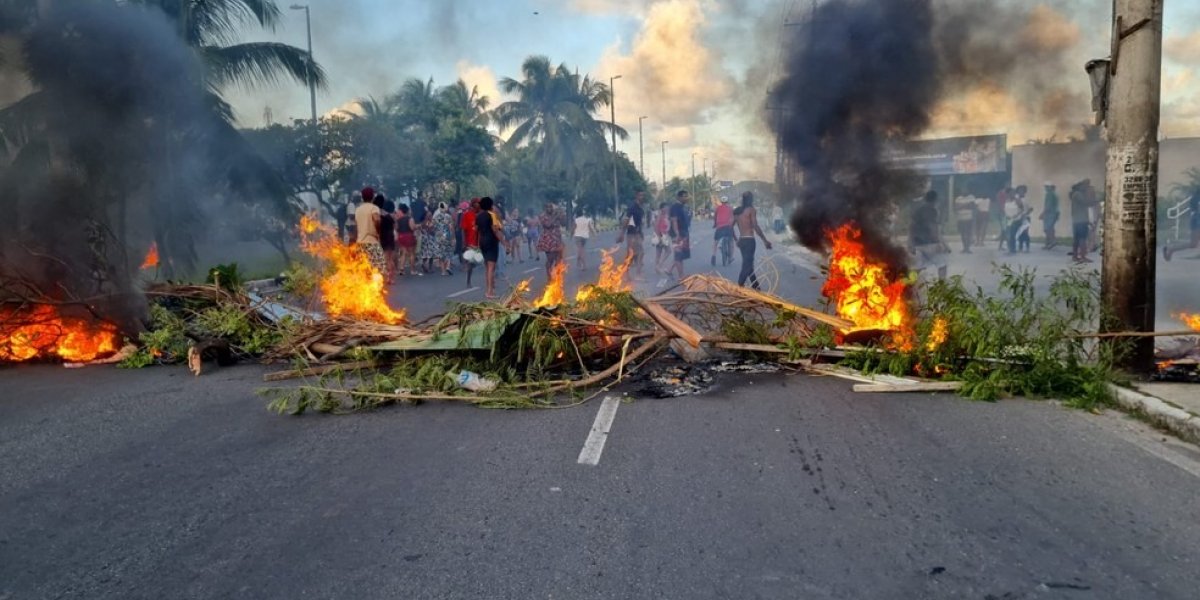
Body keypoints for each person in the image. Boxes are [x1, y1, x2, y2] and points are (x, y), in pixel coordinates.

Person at [733, 192, 773, 289]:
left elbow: (730, 227)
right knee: (747, 265)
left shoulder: (737, 211)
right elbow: (755, 226)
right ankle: (739, 286)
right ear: (751, 199)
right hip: (749, 241)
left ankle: (756, 287)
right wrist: (765, 240)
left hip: (742, 240)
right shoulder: (751, 210)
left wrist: (736, 240)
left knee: (748, 264)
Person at [910, 190, 948, 280]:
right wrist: (939, 243)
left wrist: (911, 243)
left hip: (918, 243)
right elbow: (932, 226)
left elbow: (911, 226)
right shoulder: (932, 210)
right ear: (935, 200)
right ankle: (941, 287)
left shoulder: (918, 210)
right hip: (930, 243)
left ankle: (908, 285)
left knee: (917, 268)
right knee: (942, 266)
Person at [477, 197, 506, 299]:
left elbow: (477, 230)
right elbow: (495, 230)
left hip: (482, 242)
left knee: (487, 267)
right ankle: (489, 291)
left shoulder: (479, 216)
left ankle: (491, 288)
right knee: (491, 268)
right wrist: (504, 243)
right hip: (491, 242)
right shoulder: (492, 215)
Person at [354, 187, 386, 276]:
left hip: (360, 243)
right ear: (372, 197)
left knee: (363, 270)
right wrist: (378, 231)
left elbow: (356, 226)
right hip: (371, 242)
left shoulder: (358, 210)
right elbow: (377, 219)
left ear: (362, 197)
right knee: (379, 268)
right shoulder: (374, 208)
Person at [665, 190, 692, 284]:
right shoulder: (675, 207)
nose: (686, 198)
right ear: (679, 197)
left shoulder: (682, 207)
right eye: (684, 196)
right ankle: (681, 277)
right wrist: (677, 234)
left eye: (687, 196)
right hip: (678, 234)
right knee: (678, 255)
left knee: (681, 255)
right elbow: (674, 220)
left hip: (683, 233)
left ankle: (671, 271)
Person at [1164, 194, 1200, 261]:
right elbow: (1195, 206)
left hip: (1196, 219)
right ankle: (1170, 249)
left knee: (1194, 244)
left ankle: (1170, 249)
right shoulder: (1197, 197)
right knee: (1193, 244)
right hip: (1197, 220)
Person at [1069, 180, 1097, 263]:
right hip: (1081, 220)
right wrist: (1095, 200)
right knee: (1082, 239)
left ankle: (1075, 256)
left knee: (1077, 239)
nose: (1086, 188)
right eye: (1086, 186)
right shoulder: (1078, 194)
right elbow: (1086, 203)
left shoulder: (1076, 194)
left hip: (1077, 220)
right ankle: (1083, 257)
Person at [536, 202, 566, 276]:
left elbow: (563, 223)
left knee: (559, 258)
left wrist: (562, 215)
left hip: (557, 238)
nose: (549, 209)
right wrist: (555, 217)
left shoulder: (555, 214)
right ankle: (549, 276)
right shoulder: (542, 216)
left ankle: (557, 275)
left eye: (551, 207)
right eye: (548, 207)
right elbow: (548, 225)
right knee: (550, 259)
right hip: (548, 240)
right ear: (545, 208)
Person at [622, 190, 647, 279]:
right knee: (632, 254)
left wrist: (641, 233)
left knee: (637, 254)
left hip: (637, 234)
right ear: (636, 196)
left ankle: (632, 274)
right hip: (631, 234)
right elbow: (626, 220)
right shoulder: (632, 207)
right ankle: (634, 274)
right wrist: (621, 233)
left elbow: (639, 223)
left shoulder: (640, 209)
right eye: (640, 195)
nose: (642, 197)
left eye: (643, 195)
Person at [431, 202, 455, 275]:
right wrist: (453, 237)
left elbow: (432, 226)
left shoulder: (435, 217)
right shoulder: (448, 216)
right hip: (447, 236)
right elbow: (451, 227)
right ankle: (448, 266)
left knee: (440, 254)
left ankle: (443, 271)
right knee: (449, 251)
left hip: (438, 237)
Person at [376, 196, 397, 283]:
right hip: (390, 237)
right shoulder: (391, 216)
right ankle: (392, 278)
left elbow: (377, 228)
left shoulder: (378, 215)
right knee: (390, 258)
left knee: (385, 258)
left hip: (383, 237)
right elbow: (395, 227)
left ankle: (388, 277)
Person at [461, 198, 481, 286]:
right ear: (473, 205)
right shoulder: (467, 215)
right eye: (478, 204)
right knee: (471, 262)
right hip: (471, 242)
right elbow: (463, 230)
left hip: (481, 242)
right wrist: (463, 242)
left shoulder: (481, 215)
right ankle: (468, 281)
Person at [395, 204, 418, 276]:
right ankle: (412, 270)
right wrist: (416, 226)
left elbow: (396, 229)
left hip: (401, 236)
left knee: (403, 253)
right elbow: (412, 228)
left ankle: (401, 269)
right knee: (412, 254)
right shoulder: (410, 219)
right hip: (409, 236)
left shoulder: (398, 220)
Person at [711, 195, 735, 266]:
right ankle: (731, 257)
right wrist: (731, 224)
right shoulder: (730, 208)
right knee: (731, 242)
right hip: (728, 227)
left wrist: (715, 224)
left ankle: (713, 256)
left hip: (719, 227)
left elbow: (715, 217)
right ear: (727, 202)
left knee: (715, 242)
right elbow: (732, 218)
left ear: (721, 202)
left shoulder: (717, 208)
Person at [1040, 182, 1060, 250]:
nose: (1045, 188)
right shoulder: (1055, 194)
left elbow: (1048, 206)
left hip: (1050, 214)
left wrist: (1043, 213)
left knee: (1047, 229)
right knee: (1050, 228)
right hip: (1054, 213)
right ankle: (1048, 243)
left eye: (1047, 186)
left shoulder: (1049, 194)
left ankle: (1052, 241)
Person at [652, 202, 671, 273]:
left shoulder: (665, 215)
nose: (667, 208)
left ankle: (657, 267)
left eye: (667, 207)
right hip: (661, 235)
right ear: (662, 208)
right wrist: (659, 237)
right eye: (665, 207)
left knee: (659, 253)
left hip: (664, 235)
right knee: (668, 251)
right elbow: (656, 226)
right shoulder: (660, 215)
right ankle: (659, 266)